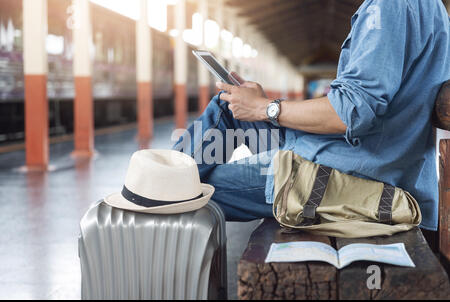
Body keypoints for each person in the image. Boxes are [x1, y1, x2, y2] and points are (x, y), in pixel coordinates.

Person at [173, 0, 450, 231]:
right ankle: (164, 178)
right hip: (372, 158)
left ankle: (163, 189)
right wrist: (258, 103)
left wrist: (266, 108)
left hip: (350, 174)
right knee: (228, 104)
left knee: (190, 191)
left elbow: (351, 113)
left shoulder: (389, 6)